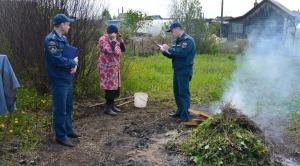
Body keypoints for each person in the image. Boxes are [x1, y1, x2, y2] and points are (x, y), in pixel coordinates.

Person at [44, 13, 80, 147]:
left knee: (68, 106)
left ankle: (68, 129)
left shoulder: (63, 38)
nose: (69, 26)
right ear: (61, 25)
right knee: (60, 108)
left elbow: (70, 54)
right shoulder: (51, 40)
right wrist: (72, 62)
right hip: (59, 79)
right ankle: (61, 136)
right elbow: (57, 59)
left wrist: (75, 65)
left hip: (67, 77)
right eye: (68, 24)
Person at [159, 22, 196, 122]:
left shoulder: (188, 40)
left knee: (183, 93)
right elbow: (173, 55)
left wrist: (168, 49)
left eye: (171, 31)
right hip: (177, 70)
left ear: (177, 29)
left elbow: (181, 53)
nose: (171, 33)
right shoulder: (178, 41)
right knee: (177, 92)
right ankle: (180, 111)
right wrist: (164, 51)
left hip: (184, 70)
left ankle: (185, 116)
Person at [98, 25, 125, 116]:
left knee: (115, 88)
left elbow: (122, 50)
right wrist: (113, 40)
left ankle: (112, 106)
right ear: (111, 33)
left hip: (114, 68)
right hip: (106, 69)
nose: (115, 35)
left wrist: (121, 42)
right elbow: (109, 50)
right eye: (115, 33)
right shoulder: (103, 39)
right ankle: (108, 108)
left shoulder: (114, 40)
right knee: (109, 89)